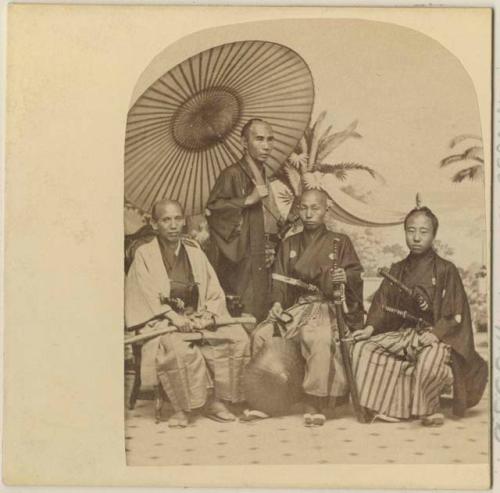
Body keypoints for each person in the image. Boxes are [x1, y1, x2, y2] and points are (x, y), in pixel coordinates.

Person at [351, 206, 487, 426]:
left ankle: (429, 409)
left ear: (433, 235)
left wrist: (435, 334)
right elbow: (381, 304)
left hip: (438, 337)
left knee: (429, 360)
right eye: (411, 230)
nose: (416, 237)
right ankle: (389, 406)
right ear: (405, 232)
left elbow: (456, 313)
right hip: (405, 333)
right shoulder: (397, 269)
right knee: (362, 348)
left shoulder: (445, 269)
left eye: (423, 232)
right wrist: (369, 328)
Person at [125, 199, 251, 428]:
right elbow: (146, 294)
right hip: (163, 322)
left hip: (198, 318)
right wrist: (175, 318)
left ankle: (218, 401)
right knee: (177, 349)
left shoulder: (195, 253)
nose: (173, 225)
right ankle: (183, 408)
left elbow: (213, 290)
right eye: (165, 220)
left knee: (237, 337)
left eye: (177, 219)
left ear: (184, 221)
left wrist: (208, 315)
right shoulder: (144, 254)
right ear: (154, 224)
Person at [249, 189, 364, 426]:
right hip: (298, 307)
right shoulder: (290, 243)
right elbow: (279, 280)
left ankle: (315, 401)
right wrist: (278, 304)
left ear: (326, 209)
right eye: (304, 207)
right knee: (262, 333)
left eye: (315, 208)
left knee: (319, 338)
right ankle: (266, 399)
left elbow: (355, 274)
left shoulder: (340, 242)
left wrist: (345, 276)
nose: (309, 213)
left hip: (326, 307)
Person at [206, 119, 283, 322]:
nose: (266, 146)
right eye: (259, 139)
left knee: (263, 315)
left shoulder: (263, 174)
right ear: (243, 142)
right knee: (244, 316)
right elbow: (214, 209)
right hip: (241, 259)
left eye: (270, 139)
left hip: (262, 256)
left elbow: (269, 219)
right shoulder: (232, 174)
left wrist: (272, 244)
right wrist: (247, 200)